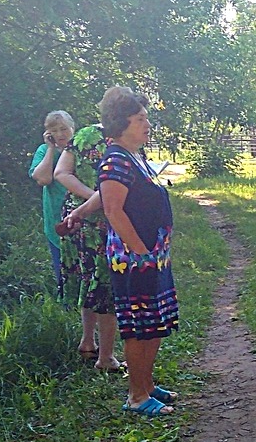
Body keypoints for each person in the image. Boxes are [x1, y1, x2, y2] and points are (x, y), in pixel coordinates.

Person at [64, 87, 180, 415]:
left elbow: (105, 200)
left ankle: (146, 384)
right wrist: (141, 250)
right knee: (140, 325)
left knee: (154, 323)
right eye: (140, 119)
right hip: (134, 259)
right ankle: (137, 396)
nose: (147, 125)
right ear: (121, 124)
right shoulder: (114, 160)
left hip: (151, 255)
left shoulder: (135, 157)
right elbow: (114, 210)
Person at [54, 123, 121, 372]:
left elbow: (62, 172)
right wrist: (95, 197)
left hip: (76, 216)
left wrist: (88, 197)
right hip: (99, 219)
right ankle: (106, 357)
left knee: (88, 276)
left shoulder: (85, 134)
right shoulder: (120, 137)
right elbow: (60, 173)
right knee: (105, 282)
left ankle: (87, 342)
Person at [29, 111, 75, 298]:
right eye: (54, 131)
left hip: (84, 216)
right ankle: (67, 308)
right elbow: (43, 179)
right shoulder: (44, 151)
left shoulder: (82, 149)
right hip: (56, 218)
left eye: (64, 129)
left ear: (73, 128)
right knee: (62, 270)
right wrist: (50, 149)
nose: (61, 134)